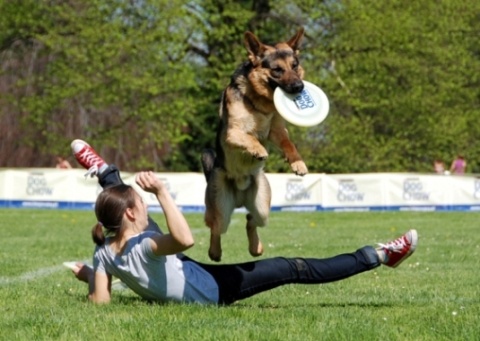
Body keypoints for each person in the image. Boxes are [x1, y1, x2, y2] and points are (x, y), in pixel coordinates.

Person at [68, 139, 419, 305]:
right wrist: (159, 191)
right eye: (140, 204)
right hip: (212, 288)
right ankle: (379, 255)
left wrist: (94, 276)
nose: (145, 207)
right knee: (289, 267)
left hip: (169, 263)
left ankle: (104, 172)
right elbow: (185, 239)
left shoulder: (104, 254)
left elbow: (100, 303)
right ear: (131, 212)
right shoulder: (145, 244)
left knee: (140, 225)